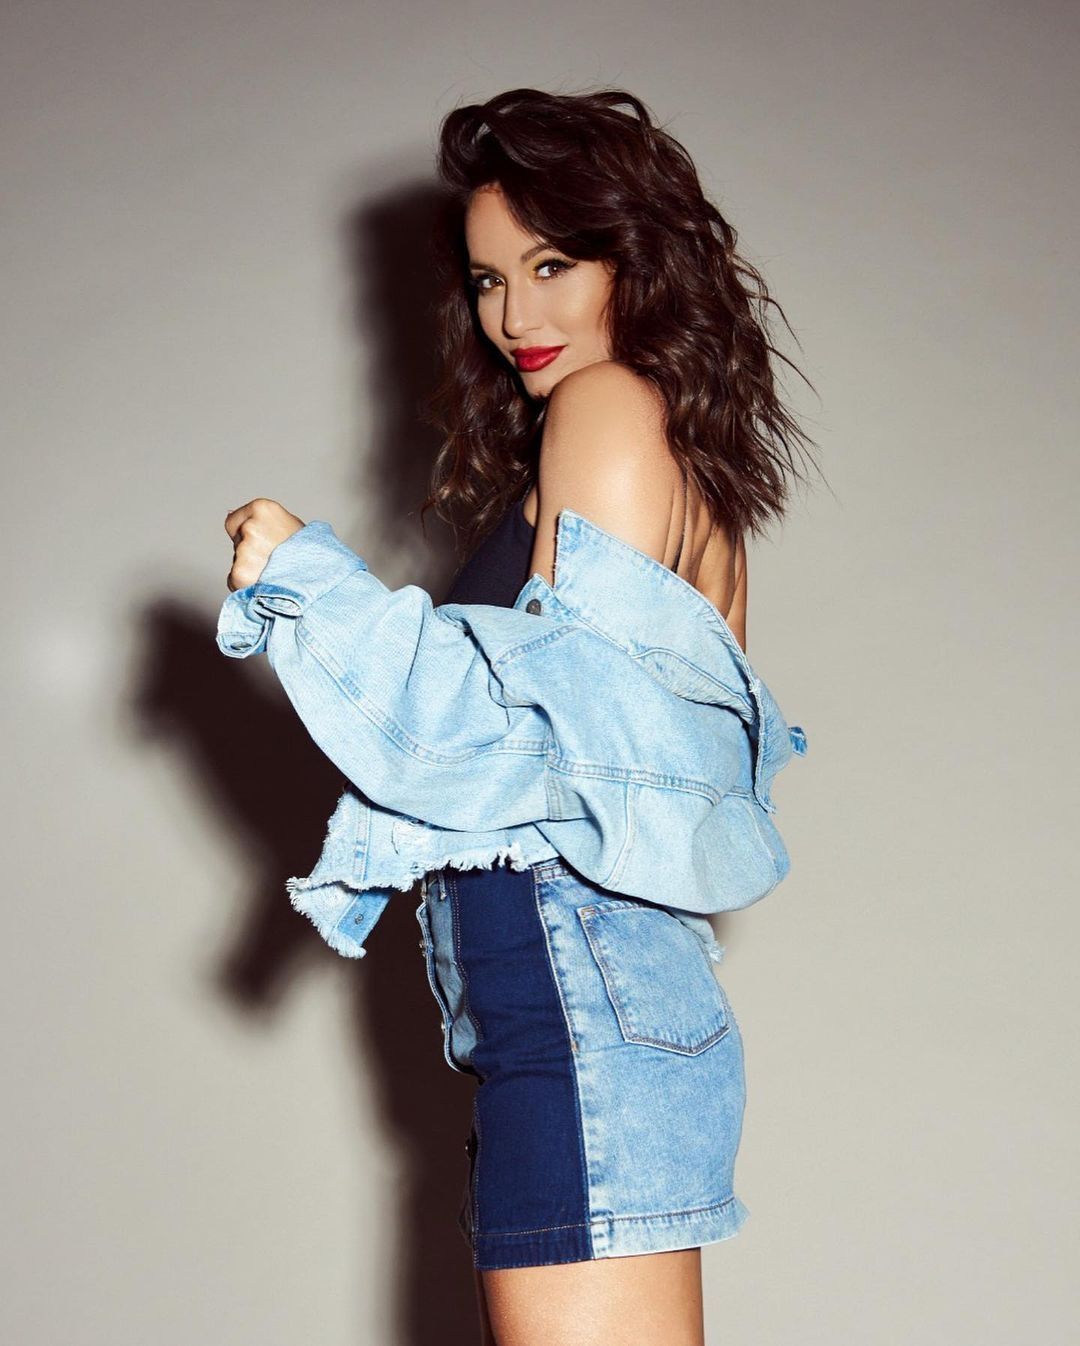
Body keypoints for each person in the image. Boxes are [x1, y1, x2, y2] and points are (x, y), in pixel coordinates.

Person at [223, 87, 818, 1346]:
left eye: (552, 266)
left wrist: (310, 582)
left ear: (637, 258)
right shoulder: (649, 435)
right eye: (490, 280)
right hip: (578, 1004)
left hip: (576, 1009)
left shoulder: (608, 408)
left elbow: (529, 739)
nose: (514, 317)